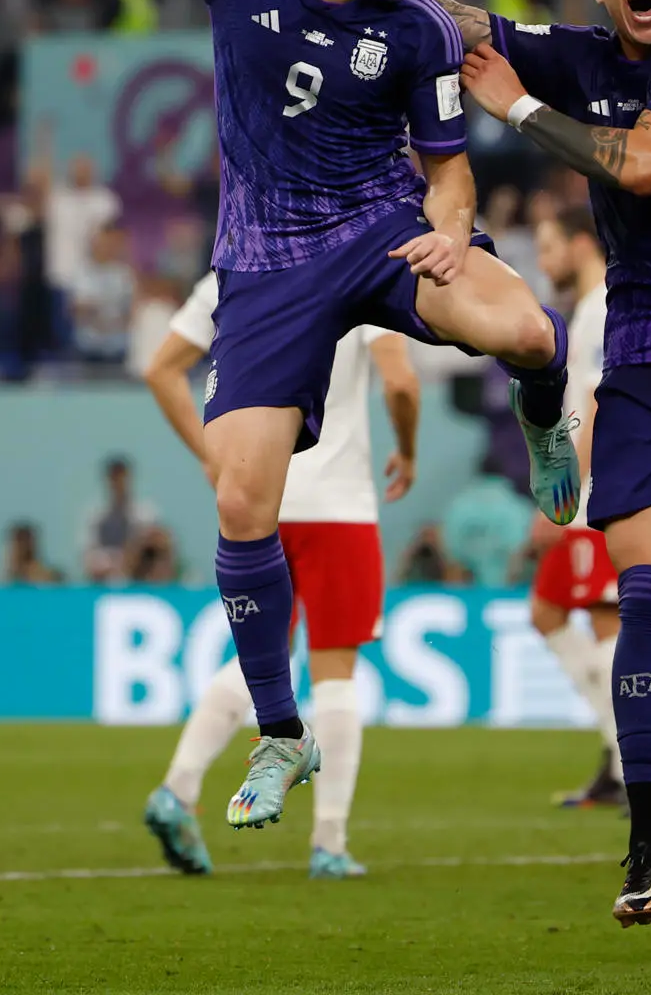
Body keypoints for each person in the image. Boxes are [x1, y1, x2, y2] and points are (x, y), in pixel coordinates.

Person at [0, 0, 578, 832]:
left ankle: (548, 419)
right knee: (238, 499)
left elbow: (449, 172)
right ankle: (279, 730)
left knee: (530, 331)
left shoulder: (418, 29)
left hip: (379, 231)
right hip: (265, 261)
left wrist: (450, 234)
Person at [296, 0, 651, 980]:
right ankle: (646, 840)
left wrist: (518, 111)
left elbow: (638, 166)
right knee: (646, 598)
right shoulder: (582, 51)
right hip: (646, 362)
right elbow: (474, 29)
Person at [141, 270, 419, 879]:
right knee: (336, 671)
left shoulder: (230, 272)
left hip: (261, 499)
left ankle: (178, 787)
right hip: (338, 505)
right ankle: (329, 843)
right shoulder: (361, 260)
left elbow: (161, 368)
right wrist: (409, 446)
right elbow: (399, 381)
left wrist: (218, 461)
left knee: (263, 658)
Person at [520, 209, 622, 810]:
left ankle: (631, 761)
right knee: (548, 611)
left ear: (583, 244)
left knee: (606, 624)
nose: (544, 259)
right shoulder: (588, 311)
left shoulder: (603, 306)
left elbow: (598, 403)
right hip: (591, 489)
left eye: (550, 245)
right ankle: (619, 754)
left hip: (596, 492)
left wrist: (566, 487)